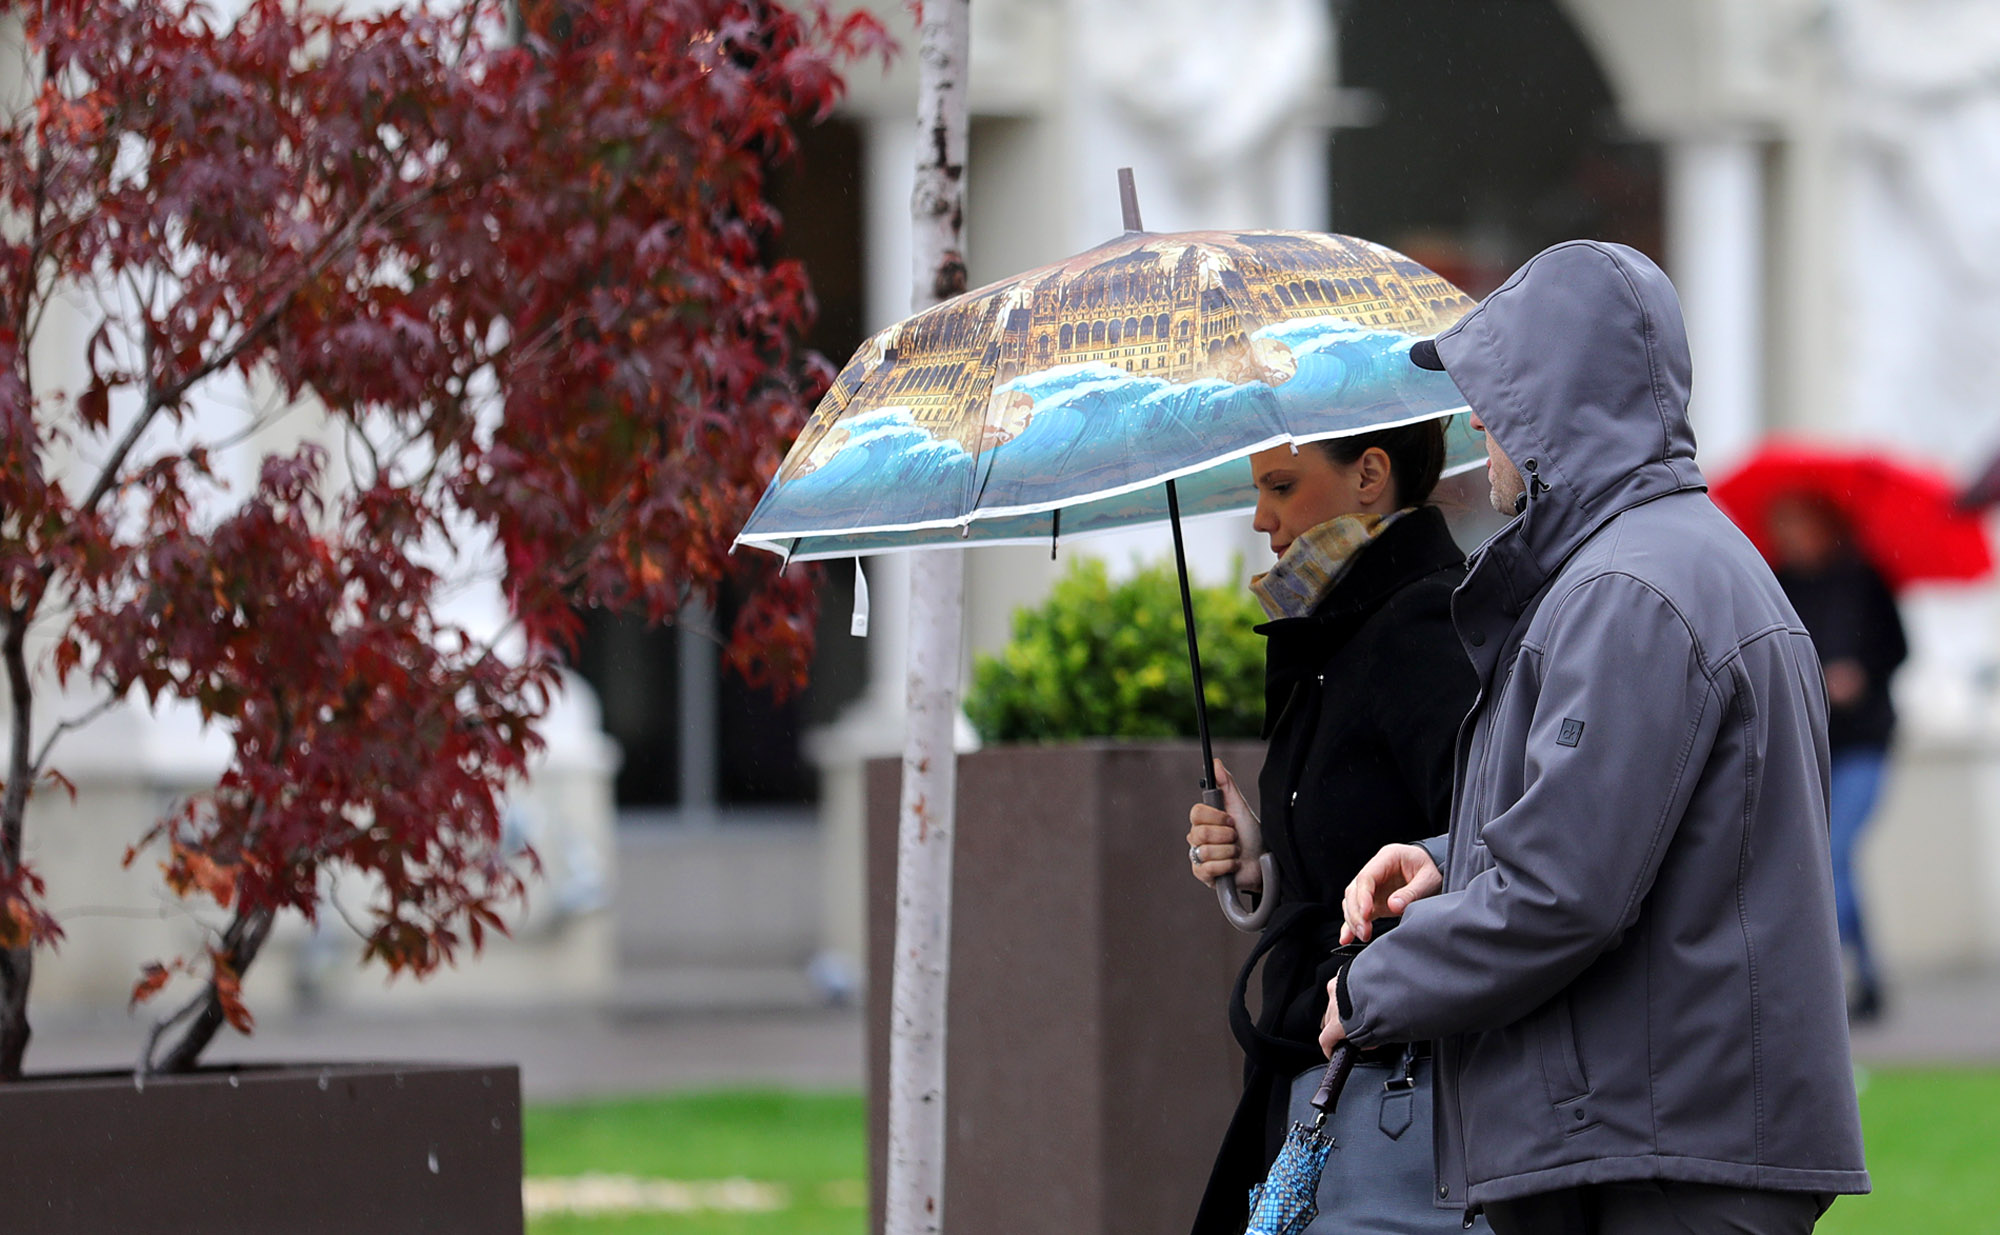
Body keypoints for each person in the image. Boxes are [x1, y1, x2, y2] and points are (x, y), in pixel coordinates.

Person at [1321, 241, 1870, 1235]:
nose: (1475, 418)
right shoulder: (1659, 564)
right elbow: (1622, 837)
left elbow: (1561, 890)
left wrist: (1370, 985)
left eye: (1492, 388)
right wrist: (1447, 859)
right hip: (1662, 1133)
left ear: (1549, 405)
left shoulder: (1629, 587)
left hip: (1663, 1147)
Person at [1183, 419, 1478, 1234]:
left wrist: (1368, 988)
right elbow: (1359, 834)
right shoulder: (1335, 625)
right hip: (1324, 1060)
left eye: (1280, 487)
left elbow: (1479, 846)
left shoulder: (1420, 624)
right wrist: (1260, 862)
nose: (1260, 519)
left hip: (1385, 1080)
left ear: (1370, 474)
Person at [1766, 492, 1908, 1021]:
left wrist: (1859, 673)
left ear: (1823, 526)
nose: (1790, 537)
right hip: (1808, 737)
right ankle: (1866, 975)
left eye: (1797, 525)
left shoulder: (1864, 578)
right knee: (1828, 859)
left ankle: (1832, 971)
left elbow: (1898, 648)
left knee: (1833, 854)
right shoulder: (1776, 582)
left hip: (1864, 740)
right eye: (1782, 527)